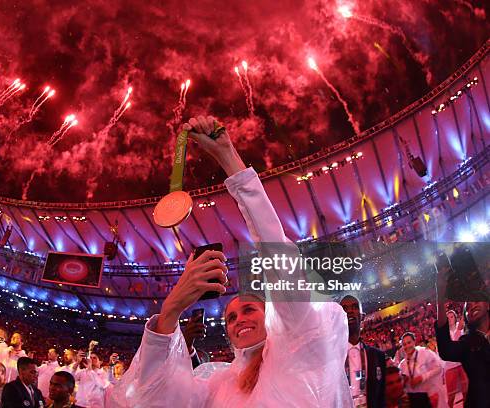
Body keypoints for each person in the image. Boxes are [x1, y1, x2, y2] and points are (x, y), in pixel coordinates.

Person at [106, 115, 351, 407]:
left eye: (249, 310)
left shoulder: (299, 346)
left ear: (273, 314)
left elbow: (279, 258)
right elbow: (150, 397)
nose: (239, 320)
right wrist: (170, 311)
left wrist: (228, 158)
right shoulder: (218, 385)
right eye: (231, 318)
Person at [435, 261, 489, 408]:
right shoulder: (467, 342)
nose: (472, 306)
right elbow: (445, 349)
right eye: (467, 307)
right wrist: (440, 296)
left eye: (476, 301)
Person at [340, 295, 386, 408]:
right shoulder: (332, 358)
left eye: (354, 307)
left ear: (362, 316)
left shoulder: (378, 356)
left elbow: (381, 397)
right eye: (344, 308)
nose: (349, 311)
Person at [397, 332, 446, 408]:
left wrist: (422, 377)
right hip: (416, 402)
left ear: (414, 342)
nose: (407, 346)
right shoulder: (402, 365)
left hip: (431, 395)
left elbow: (439, 367)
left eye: (409, 342)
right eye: (404, 344)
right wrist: (404, 381)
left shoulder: (424, 353)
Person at [441, 310, 469, 407]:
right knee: (451, 397)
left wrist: (459, 329)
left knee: (466, 393)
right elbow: (451, 347)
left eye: (451, 316)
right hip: (450, 366)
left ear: (455, 317)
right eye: (447, 318)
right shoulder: (444, 332)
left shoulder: (461, 328)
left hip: (462, 364)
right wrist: (458, 330)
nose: (449, 319)